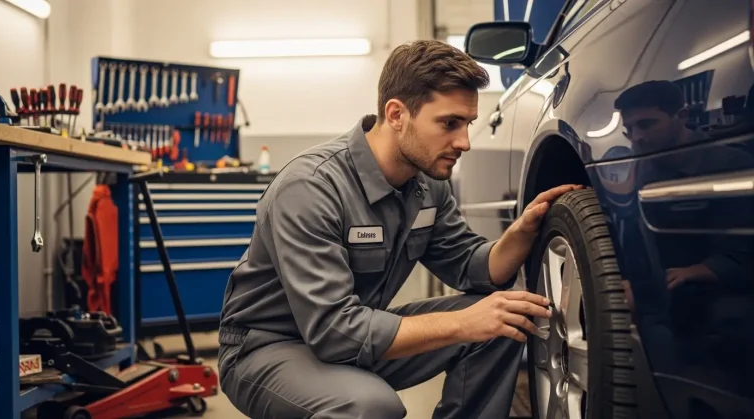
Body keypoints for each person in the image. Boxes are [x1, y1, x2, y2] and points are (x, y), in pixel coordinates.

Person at [217, 39, 579, 419]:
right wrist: (460, 323)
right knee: (371, 406)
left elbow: (470, 265)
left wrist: (518, 234)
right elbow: (333, 332)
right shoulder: (311, 187)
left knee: (506, 318)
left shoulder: (427, 185)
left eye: (468, 124)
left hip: (353, 333)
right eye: (449, 124)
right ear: (396, 114)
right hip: (269, 348)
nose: (464, 142)